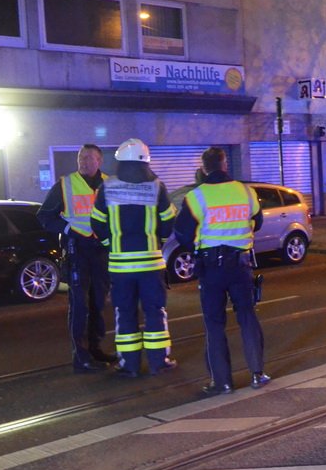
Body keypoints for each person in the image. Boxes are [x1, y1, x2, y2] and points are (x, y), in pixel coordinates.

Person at [172, 147, 270, 395]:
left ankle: (222, 382)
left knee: (215, 323)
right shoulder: (245, 191)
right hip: (240, 265)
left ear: (204, 168)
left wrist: (197, 243)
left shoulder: (197, 196)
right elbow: (257, 222)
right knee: (247, 316)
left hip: (211, 267)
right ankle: (257, 374)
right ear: (225, 164)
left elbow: (182, 231)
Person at [90, 139, 177, 378]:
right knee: (155, 311)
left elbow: (96, 222)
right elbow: (169, 222)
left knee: (125, 312)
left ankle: (129, 365)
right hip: (150, 264)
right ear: (146, 161)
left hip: (120, 265)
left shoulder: (107, 187)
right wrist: (157, 240)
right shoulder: (156, 186)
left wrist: (110, 245)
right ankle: (159, 362)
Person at [37, 144, 111, 373]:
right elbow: (44, 216)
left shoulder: (110, 184)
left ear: (99, 161)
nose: (83, 161)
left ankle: (96, 349)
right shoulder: (65, 184)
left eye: (89, 157)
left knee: (98, 302)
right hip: (77, 250)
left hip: (101, 252)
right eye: (81, 157)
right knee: (80, 305)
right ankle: (81, 356)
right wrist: (68, 229)